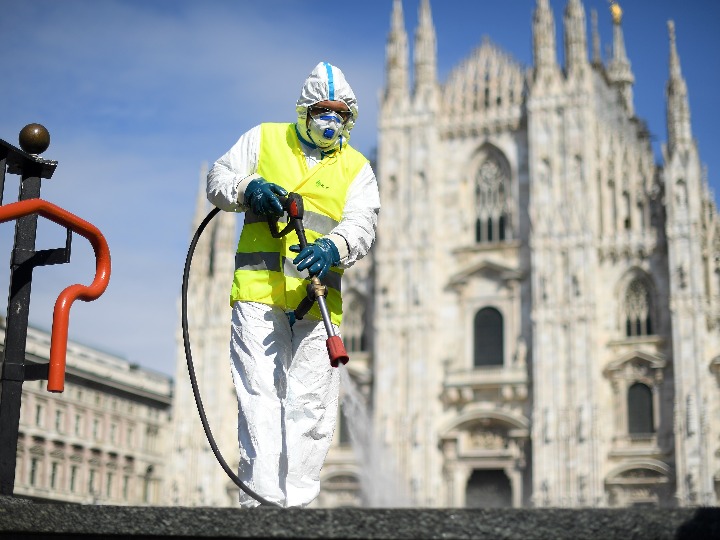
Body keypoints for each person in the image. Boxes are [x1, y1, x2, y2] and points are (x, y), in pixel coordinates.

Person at [206, 62, 380, 508]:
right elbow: (218, 179)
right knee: (260, 396)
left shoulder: (357, 168)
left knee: (313, 407)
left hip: (318, 299)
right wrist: (249, 187)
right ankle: (262, 507)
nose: (330, 120)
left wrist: (333, 247)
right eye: (323, 110)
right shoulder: (263, 138)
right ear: (305, 110)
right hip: (259, 294)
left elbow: (363, 224)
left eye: (340, 114)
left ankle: (296, 508)